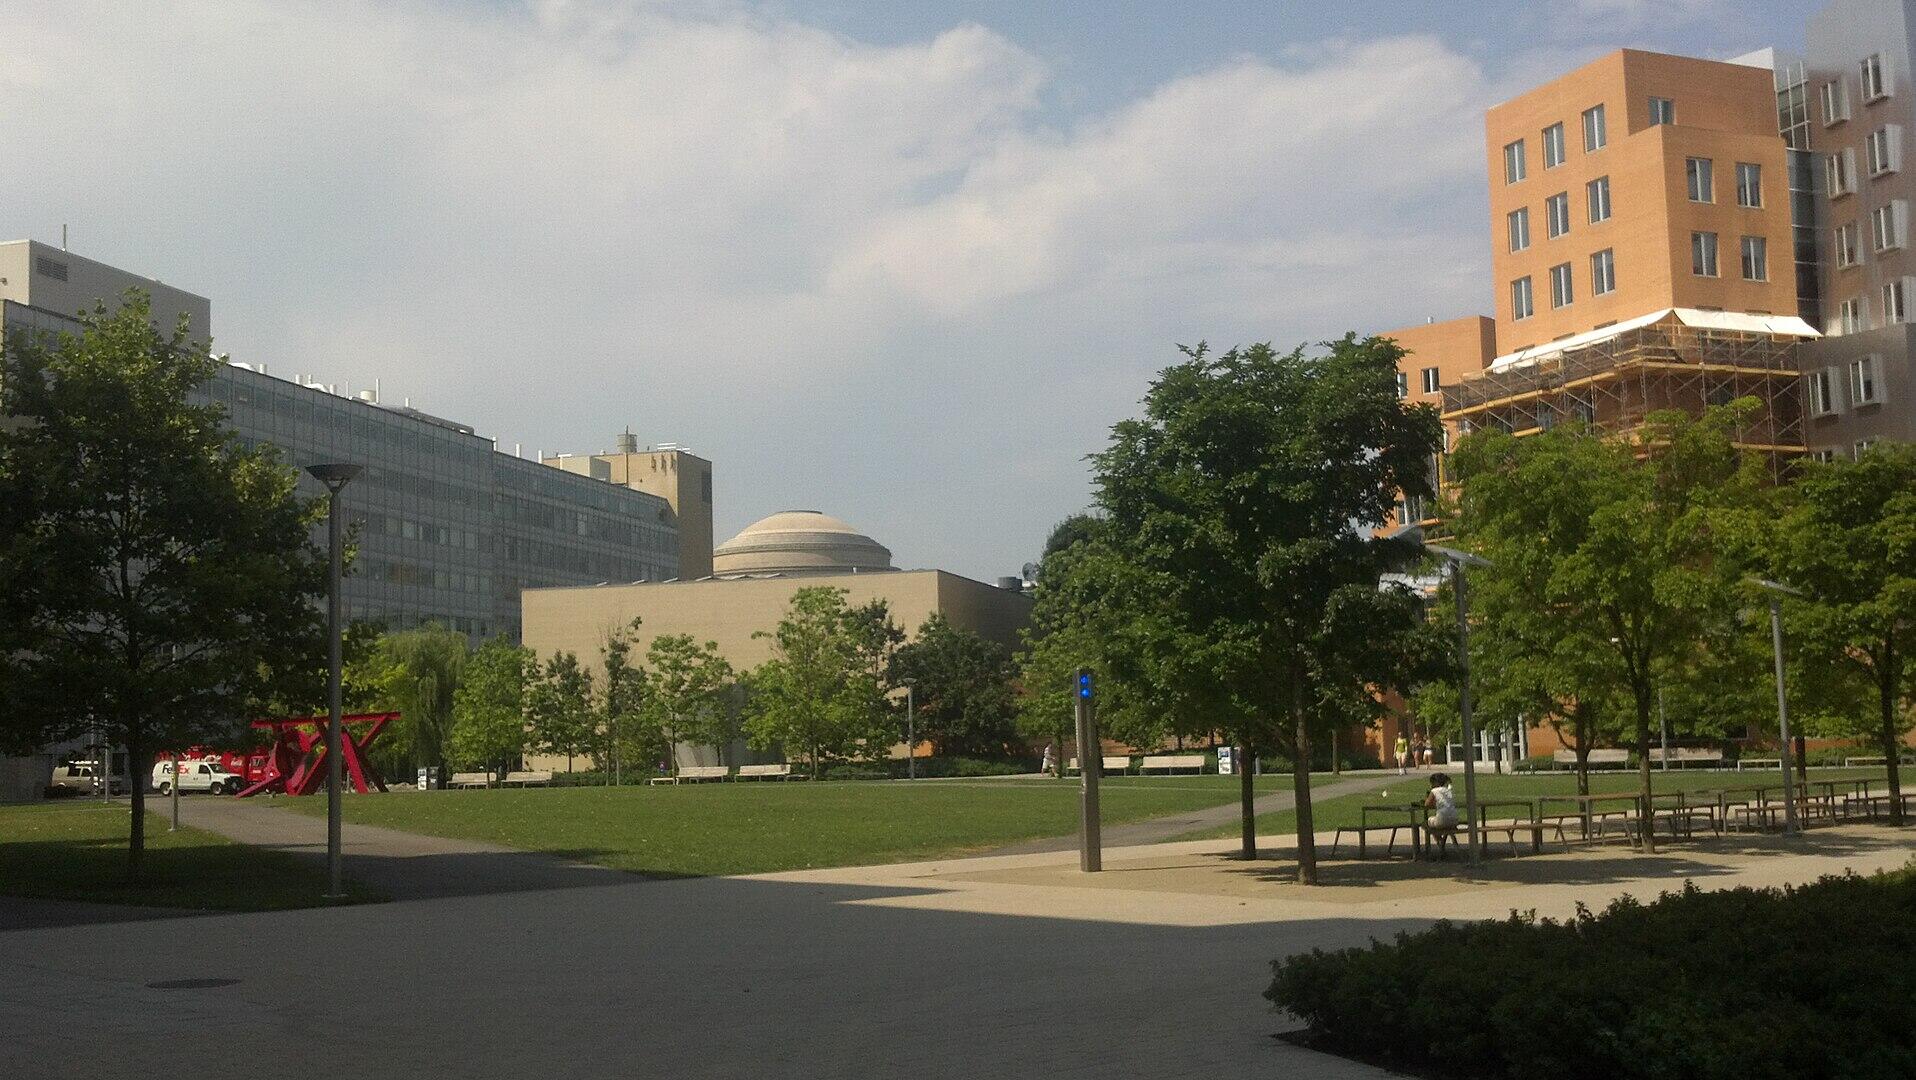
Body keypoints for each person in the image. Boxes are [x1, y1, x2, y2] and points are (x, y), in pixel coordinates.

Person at [1424, 772, 1460, 858]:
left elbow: (1426, 804)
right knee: (1447, 828)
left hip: (1442, 819)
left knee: (1427, 824)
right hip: (1454, 819)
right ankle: (1446, 845)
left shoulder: (1434, 791)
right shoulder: (1448, 790)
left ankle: (1440, 844)